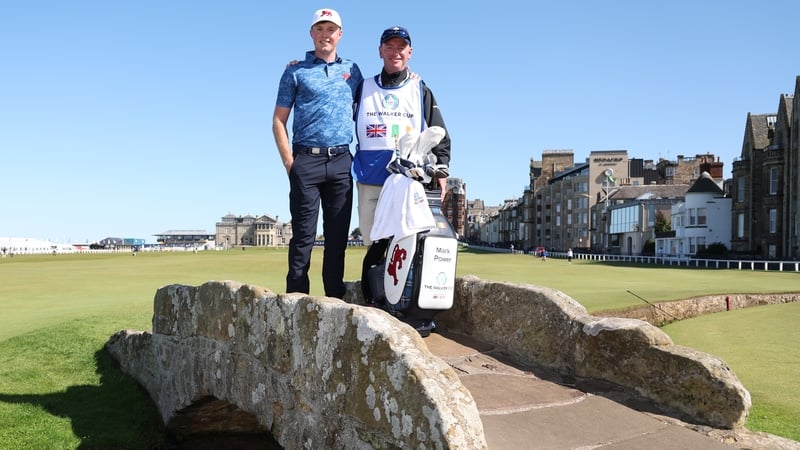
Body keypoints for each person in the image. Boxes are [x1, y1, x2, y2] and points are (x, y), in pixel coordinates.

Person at [353, 26, 451, 302]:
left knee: (407, 241)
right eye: (390, 47)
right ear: (380, 50)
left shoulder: (420, 88)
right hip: (370, 177)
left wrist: (442, 166)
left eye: (401, 47)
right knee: (374, 242)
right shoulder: (363, 87)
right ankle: (374, 302)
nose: (395, 52)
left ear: (410, 52)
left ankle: (403, 301)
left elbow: (438, 129)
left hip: (407, 180)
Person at [272, 8, 364, 298]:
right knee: (302, 237)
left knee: (337, 239)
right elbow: (278, 121)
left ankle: (334, 301)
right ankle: (296, 303)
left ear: (340, 34)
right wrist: (290, 163)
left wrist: (409, 76)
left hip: (340, 161)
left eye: (331, 30)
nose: (325, 35)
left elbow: (375, 100)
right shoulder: (295, 71)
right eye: (320, 29)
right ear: (312, 33)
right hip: (306, 161)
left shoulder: (353, 71)